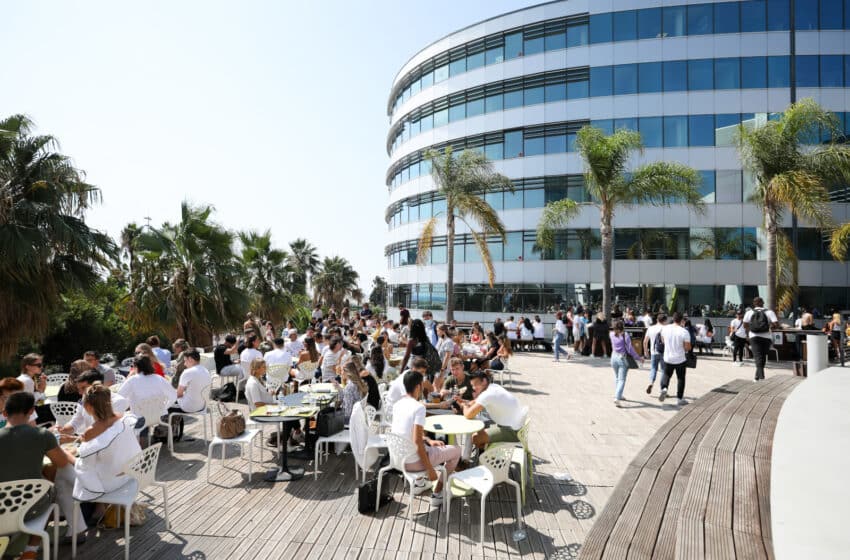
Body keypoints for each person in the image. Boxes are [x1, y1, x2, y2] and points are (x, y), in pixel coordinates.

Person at [1, 392, 87, 557]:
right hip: (31, 504)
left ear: (4, 413)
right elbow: (62, 462)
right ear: (31, 411)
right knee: (51, 490)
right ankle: (31, 549)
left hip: (2, 507)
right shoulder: (42, 435)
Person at [391, 369, 461, 509]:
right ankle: (437, 494)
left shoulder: (397, 405)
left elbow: (406, 434)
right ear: (418, 387)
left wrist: (428, 440)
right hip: (413, 463)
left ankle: (419, 483)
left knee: (427, 446)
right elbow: (417, 442)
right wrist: (430, 470)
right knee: (457, 451)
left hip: (397, 461)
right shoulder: (418, 408)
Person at [72, 385, 142, 513]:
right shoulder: (122, 418)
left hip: (111, 482)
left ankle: (85, 517)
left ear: (89, 407)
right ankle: (98, 510)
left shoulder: (91, 431)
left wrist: (66, 454)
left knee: (69, 473)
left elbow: (85, 465)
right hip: (130, 473)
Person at [57, 370, 130, 437]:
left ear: (97, 386)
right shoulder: (85, 398)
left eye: (83, 388)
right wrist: (64, 430)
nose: (80, 393)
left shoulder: (118, 401)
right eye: (79, 389)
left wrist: (78, 439)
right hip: (91, 441)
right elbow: (76, 421)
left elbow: (107, 431)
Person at [463, 372, 525, 450]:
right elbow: (476, 401)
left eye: (476, 384)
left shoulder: (487, 394)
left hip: (513, 431)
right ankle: (488, 450)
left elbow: (468, 415)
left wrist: (464, 406)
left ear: (484, 381)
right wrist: (468, 403)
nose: (474, 388)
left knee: (475, 437)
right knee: (480, 432)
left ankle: (489, 453)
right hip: (516, 426)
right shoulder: (494, 386)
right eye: (472, 385)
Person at [118, 356, 177, 426]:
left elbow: (119, 398)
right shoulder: (159, 378)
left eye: (132, 366)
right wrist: (164, 407)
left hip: (140, 421)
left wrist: (127, 405)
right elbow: (173, 396)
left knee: (120, 422)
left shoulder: (132, 380)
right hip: (161, 418)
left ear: (136, 367)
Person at [659, 312, 692, 406]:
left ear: (673, 319)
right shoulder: (684, 332)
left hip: (668, 357)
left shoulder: (665, 329)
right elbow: (687, 347)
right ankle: (679, 399)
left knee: (666, 375)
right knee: (681, 378)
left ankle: (664, 388)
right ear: (681, 320)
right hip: (680, 359)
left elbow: (663, 341)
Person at [743, 297, 779, 381]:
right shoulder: (769, 312)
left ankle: (758, 377)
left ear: (754, 304)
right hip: (767, 337)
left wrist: (750, 332)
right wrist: (770, 327)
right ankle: (761, 377)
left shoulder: (749, 312)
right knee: (762, 356)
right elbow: (776, 324)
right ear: (763, 303)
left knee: (758, 356)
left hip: (753, 336)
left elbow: (745, 325)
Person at [609, 320, 644, 407]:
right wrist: (638, 358)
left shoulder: (611, 334)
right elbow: (630, 349)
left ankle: (619, 394)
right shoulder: (625, 335)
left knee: (617, 377)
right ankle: (617, 397)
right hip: (622, 358)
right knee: (622, 379)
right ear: (622, 327)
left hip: (613, 357)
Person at [170, 350, 211, 415]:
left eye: (185, 361)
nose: (184, 364)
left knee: (167, 405)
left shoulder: (187, 372)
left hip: (190, 407)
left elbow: (179, 394)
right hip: (203, 407)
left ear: (190, 359)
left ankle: (172, 421)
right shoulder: (206, 370)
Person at [643, 313, 666, 394]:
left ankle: (651, 383)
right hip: (663, 352)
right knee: (663, 370)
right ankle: (662, 389)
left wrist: (646, 351)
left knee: (653, 368)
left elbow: (645, 341)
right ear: (665, 321)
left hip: (653, 352)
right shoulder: (666, 328)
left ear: (657, 320)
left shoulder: (650, 328)